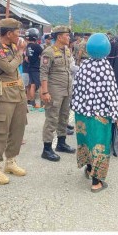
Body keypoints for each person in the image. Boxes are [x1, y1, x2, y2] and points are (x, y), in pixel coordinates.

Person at [72, 34, 118, 193]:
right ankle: (96, 182)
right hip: (99, 116)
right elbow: (112, 93)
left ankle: (89, 169)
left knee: (86, 141)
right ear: (107, 49)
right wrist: (117, 115)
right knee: (99, 146)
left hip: (81, 114)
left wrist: (76, 106)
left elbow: (75, 89)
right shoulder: (105, 67)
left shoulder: (84, 65)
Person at [0, 18, 29, 181]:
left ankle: (10, 161)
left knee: (18, 129)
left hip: (18, 93)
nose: (19, 35)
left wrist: (17, 51)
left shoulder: (12, 46)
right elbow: (10, 67)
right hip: (4, 95)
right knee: (0, 132)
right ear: (9, 33)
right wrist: (19, 53)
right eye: (17, 32)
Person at [40, 25, 77, 161]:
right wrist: (45, 92)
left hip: (67, 89)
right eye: (67, 35)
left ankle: (61, 143)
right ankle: (47, 148)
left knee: (64, 116)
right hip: (54, 90)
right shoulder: (48, 52)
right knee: (52, 118)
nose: (69, 37)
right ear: (60, 37)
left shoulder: (67, 50)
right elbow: (44, 73)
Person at [24, 28, 44, 111]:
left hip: (30, 68)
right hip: (36, 68)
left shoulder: (27, 47)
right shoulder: (37, 46)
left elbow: (27, 59)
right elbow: (43, 55)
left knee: (32, 85)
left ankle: (32, 104)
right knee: (41, 86)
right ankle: (42, 105)